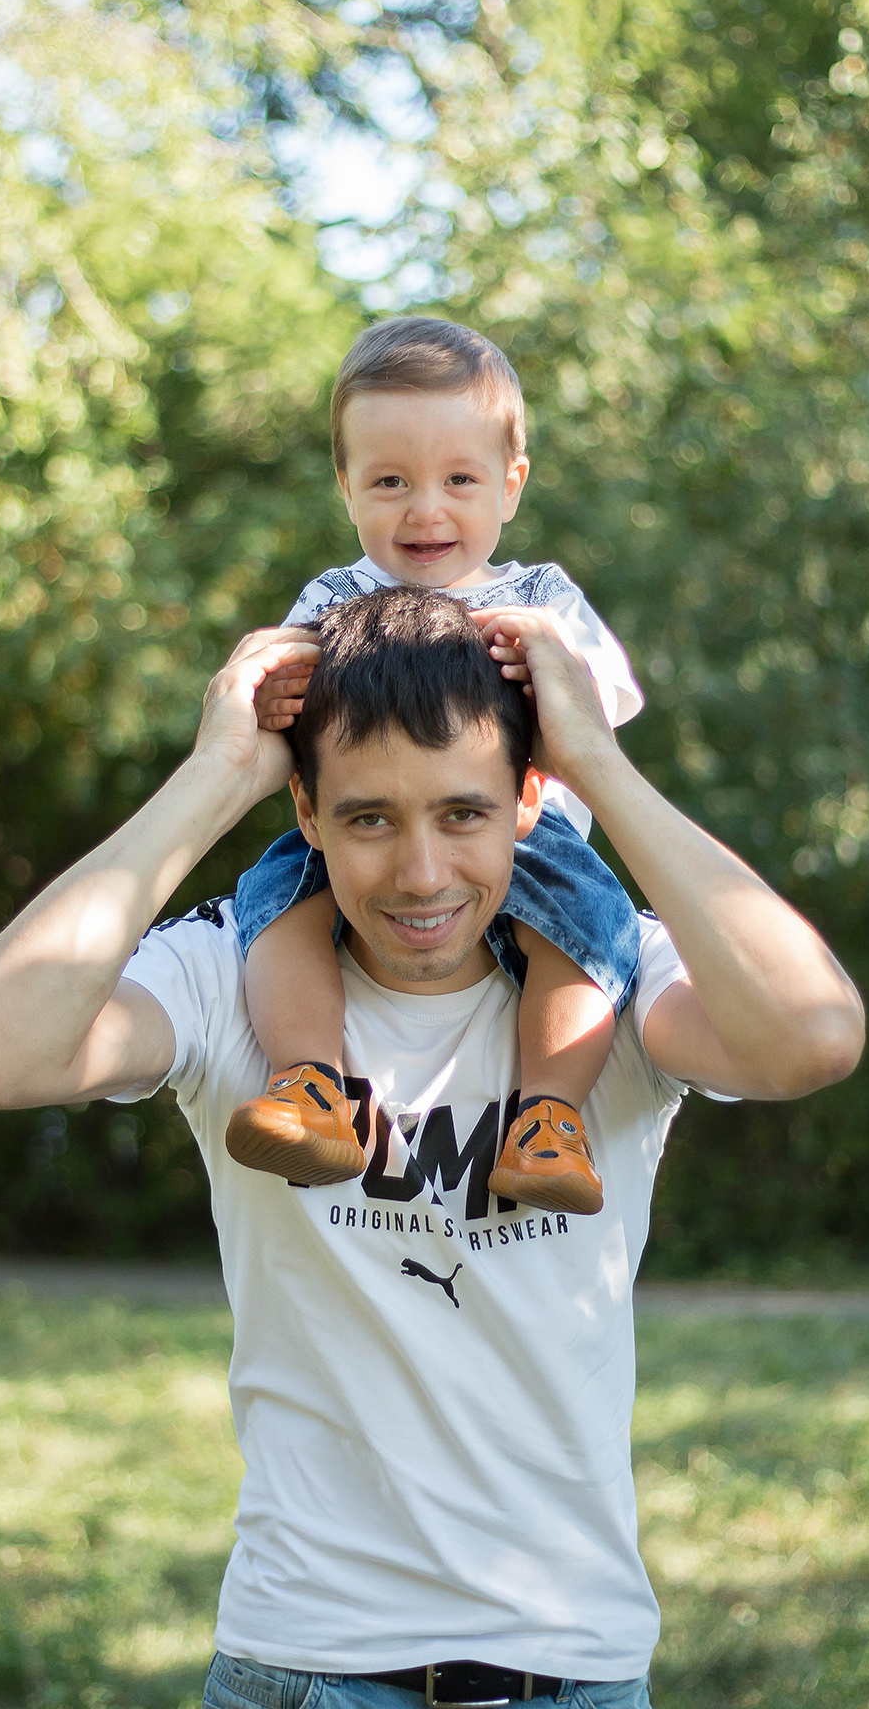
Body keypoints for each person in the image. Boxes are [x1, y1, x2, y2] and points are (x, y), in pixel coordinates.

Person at [0, 588, 864, 1709]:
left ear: (528, 799)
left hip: (573, 1665)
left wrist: (602, 768)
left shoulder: (615, 982)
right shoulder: (236, 977)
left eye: (463, 814)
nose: (422, 875)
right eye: (370, 818)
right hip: (305, 1664)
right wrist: (209, 781)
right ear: (307, 816)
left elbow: (813, 1037)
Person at [230, 317, 647, 1219]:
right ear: (346, 489)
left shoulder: (538, 597)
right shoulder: (336, 599)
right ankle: (310, 1086)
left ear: (511, 484)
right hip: (366, 829)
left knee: (588, 927)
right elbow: (286, 695)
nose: (426, 510)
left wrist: (558, 672)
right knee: (273, 903)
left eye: (459, 479)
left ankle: (549, 1118)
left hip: (522, 833)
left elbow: (605, 703)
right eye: (390, 481)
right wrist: (268, 694)